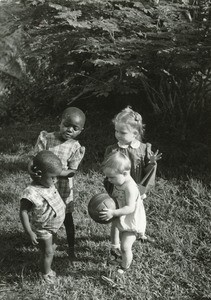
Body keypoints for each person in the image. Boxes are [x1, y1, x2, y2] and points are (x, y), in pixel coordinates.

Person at [104, 106, 162, 260]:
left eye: (122, 132)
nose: (118, 135)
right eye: (116, 131)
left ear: (135, 133)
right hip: (119, 187)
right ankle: (115, 245)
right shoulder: (113, 149)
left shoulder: (143, 149)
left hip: (137, 187)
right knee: (117, 216)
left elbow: (147, 170)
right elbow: (108, 168)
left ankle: (139, 232)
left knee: (138, 211)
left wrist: (151, 163)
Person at [32, 107, 86, 260]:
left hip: (63, 189)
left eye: (75, 128)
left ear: (81, 130)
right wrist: (33, 170)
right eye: (66, 125)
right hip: (44, 188)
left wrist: (54, 172)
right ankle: (46, 243)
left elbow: (72, 171)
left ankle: (71, 247)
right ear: (60, 122)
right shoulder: (46, 138)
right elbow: (35, 160)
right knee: (45, 216)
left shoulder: (75, 147)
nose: (69, 130)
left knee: (67, 219)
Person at [20, 150, 66, 283]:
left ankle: (44, 257)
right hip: (43, 228)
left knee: (53, 246)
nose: (55, 180)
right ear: (39, 174)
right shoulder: (31, 193)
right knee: (48, 252)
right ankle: (45, 273)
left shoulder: (47, 182)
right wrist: (29, 231)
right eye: (53, 177)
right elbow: (23, 212)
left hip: (53, 226)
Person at [100, 151, 148, 274]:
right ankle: (115, 249)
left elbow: (130, 208)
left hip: (131, 221)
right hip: (121, 215)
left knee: (125, 246)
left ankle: (124, 267)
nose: (109, 180)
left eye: (111, 177)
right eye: (107, 177)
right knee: (117, 231)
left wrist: (113, 213)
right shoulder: (119, 180)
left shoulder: (130, 188)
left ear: (125, 173)